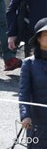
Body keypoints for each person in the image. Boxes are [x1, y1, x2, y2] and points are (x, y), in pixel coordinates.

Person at [19, 17, 47, 147]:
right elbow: (23, 93)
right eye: (46, 34)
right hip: (37, 123)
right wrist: (25, 116)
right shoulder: (28, 64)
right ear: (38, 38)